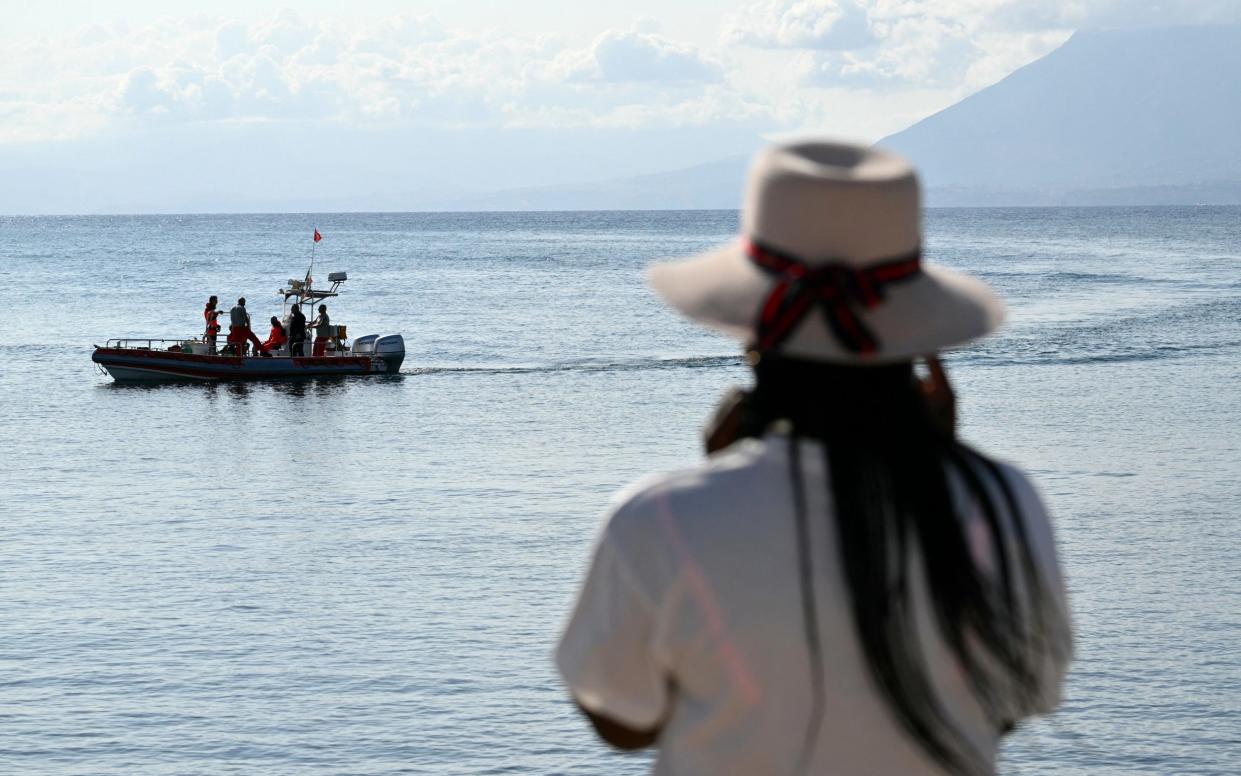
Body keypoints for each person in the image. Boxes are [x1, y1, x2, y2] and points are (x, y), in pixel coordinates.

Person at [556, 141, 1073, 776]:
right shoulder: (1003, 504)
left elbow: (623, 720)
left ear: (753, 335)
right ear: (915, 346)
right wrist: (945, 460)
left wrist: (717, 481)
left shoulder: (658, 520)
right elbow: (1012, 703)